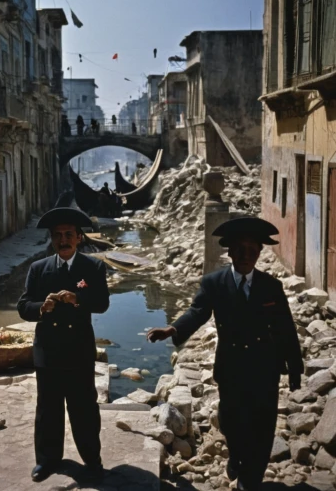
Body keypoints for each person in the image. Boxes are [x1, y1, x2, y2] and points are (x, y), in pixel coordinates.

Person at [147, 217, 303, 491]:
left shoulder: (271, 286)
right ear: (229, 251)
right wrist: (173, 329)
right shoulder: (214, 283)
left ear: (259, 252)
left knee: (263, 424)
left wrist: (294, 369)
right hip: (231, 366)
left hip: (264, 367)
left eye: (252, 250)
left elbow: (285, 329)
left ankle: (250, 477)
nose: (246, 256)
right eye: (239, 249)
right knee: (232, 420)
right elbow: (198, 312)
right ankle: (237, 456)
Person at [17, 208, 110, 483]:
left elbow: (102, 303)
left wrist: (78, 299)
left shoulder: (93, 268)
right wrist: (41, 308)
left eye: (69, 234)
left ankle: (92, 460)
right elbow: (23, 306)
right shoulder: (39, 268)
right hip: (48, 350)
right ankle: (47, 461)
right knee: (48, 408)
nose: (63, 240)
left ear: (79, 238)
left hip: (78, 350)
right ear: (52, 240)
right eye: (57, 235)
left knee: (84, 408)